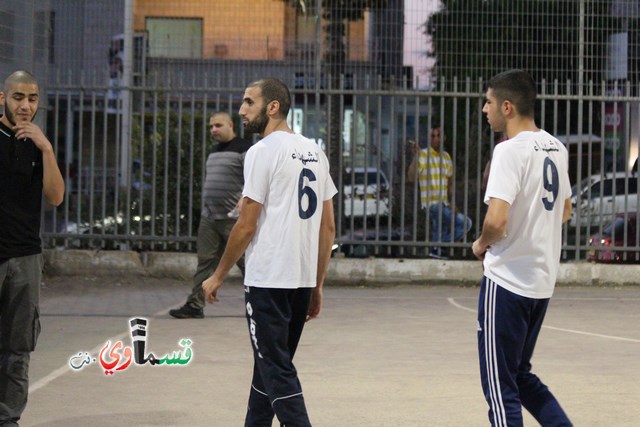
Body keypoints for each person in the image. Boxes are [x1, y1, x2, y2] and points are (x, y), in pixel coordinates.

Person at [202, 78, 336, 426]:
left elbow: (246, 225)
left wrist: (217, 275)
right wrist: (317, 284)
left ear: (272, 107)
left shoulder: (262, 151)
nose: (242, 110)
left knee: (276, 371)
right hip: (301, 280)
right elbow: (329, 228)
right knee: (269, 370)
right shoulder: (316, 152)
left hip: (269, 280)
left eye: (249, 102)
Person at [472, 69, 573, 427]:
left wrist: (482, 244)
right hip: (541, 283)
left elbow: (496, 220)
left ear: (508, 107)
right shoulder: (556, 148)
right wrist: (533, 230)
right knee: (520, 375)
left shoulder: (509, 152)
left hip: (507, 282)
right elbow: (565, 210)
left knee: (501, 388)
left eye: (489, 102)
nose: (485, 109)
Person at [0, 70, 65, 425]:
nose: (26, 106)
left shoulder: (38, 144)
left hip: (26, 257)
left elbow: (55, 197)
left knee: (18, 349)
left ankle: (8, 418)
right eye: (18, 98)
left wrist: (47, 148)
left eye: (33, 98)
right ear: (3, 99)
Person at [169, 112, 252, 319]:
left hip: (233, 218)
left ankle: (262, 306)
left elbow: (253, 179)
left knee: (248, 264)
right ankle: (195, 305)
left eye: (218, 125)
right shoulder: (214, 151)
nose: (213, 129)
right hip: (209, 217)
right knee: (205, 262)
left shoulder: (245, 149)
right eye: (211, 126)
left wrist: (244, 200)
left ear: (231, 125)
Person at [407, 125, 472, 259]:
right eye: (433, 136)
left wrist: (452, 203)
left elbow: (449, 184)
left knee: (440, 229)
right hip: (431, 204)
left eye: (438, 135)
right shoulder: (423, 154)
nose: (436, 139)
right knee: (466, 223)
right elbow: (411, 178)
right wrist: (415, 157)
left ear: (444, 138)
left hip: (444, 203)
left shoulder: (446, 157)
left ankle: (437, 250)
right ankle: (441, 246)